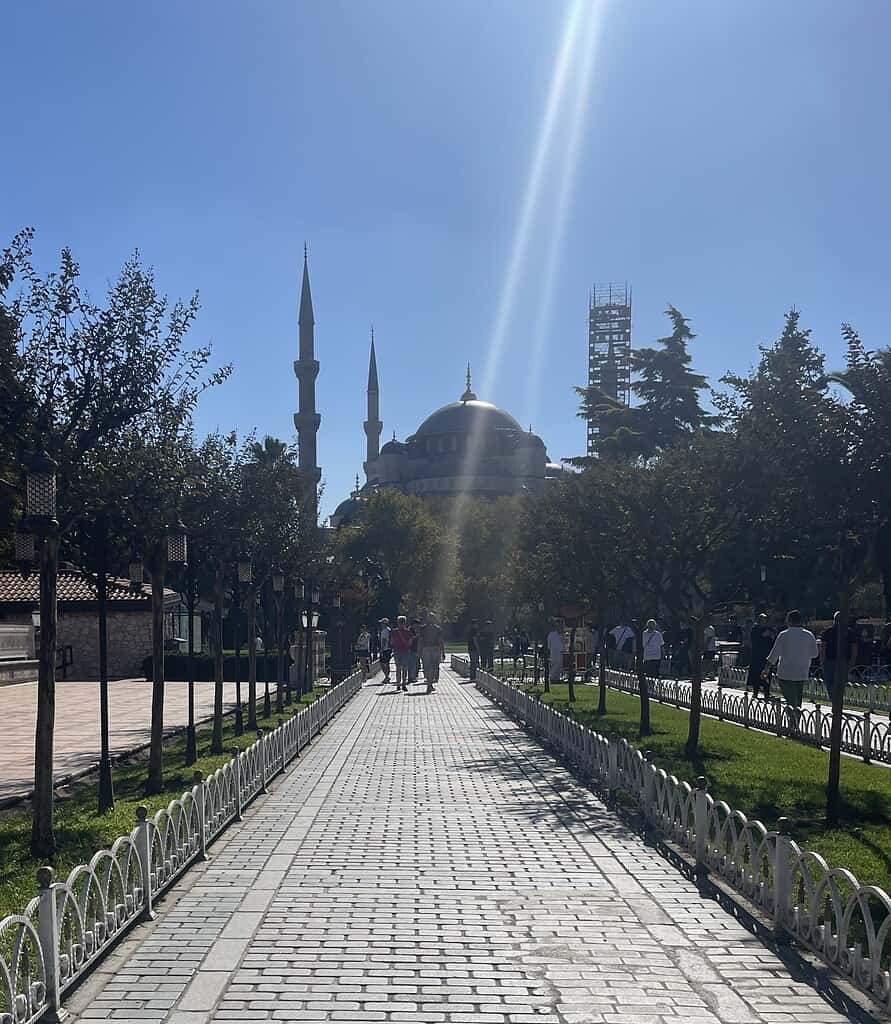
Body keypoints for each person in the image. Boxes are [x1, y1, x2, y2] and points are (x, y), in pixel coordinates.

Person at [765, 610, 818, 720]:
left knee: (790, 699)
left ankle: (793, 720)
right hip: (802, 671)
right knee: (797, 698)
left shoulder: (784, 635)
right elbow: (814, 654)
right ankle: (796, 717)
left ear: (788, 621)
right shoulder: (809, 635)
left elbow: (774, 654)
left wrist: (766, 669)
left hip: (786, 671)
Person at [819, 611, 858, 700]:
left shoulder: (827, 632)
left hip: (830, 661)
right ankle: (837, 701)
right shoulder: (849, 632)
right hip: (843, 661)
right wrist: (852, 661)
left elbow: (823, 648)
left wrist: (822, 662)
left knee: (830, 683)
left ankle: (834, 701)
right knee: (840, 684)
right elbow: (854, 648)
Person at [747, 614, 775, 698]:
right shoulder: (755, 629)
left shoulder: (769, 629)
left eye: (765, 620)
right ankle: (756, 692)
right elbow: (754, 640)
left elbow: (773, 640)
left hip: (766, 656)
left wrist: (771, 635)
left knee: (767, 674)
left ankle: (767, 692)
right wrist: (763, 635)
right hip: (757, 656)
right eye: (762, 620)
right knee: (756, 674)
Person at [419, 613, 444, 692]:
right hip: (433, 648)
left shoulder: (423, 628)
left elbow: (421, 640)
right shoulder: (437, 628)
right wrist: (442, 651)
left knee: (427, 667)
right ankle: (430, 684)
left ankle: (429, 684)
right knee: (433, 667)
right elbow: (440, 641)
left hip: (427, 649)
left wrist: (419, 650)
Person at [390, 615, 413, 691]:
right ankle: (403, 683)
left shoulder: (394, 632)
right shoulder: (408, 632)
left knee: (398, 668)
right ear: (405, 623)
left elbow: (392, 642)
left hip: (397, 651)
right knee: (404, 668)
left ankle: (398, 684)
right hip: (405, 651)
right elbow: (410, 643)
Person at [546, 621, 564, 686]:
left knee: (559, 665)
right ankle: (552, 678)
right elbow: (549, 645)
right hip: (554, 652)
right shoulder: (551, 634)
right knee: (555, 665)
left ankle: (557, 678)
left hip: (559, 652)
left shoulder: (560, 635)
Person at [408, 617, 421, 684]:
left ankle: (414, 676)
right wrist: (416, 636)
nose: (417, 626)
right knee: (412, 663)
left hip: (416, 648)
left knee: (416, 663)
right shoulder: (410, 630)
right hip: (411, 648)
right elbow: (409, 638)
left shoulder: (417, 630)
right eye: (417, 624)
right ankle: (411, 677)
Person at [378, 618, 392, 683]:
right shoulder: (389, 630)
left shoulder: (384, 631)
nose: (381, 624)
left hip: (385, 649)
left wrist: (381, 650)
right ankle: (387, 676)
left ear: (384, 624)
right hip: (389, 648)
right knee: (387, 663)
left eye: (381, 623)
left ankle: (386, 676)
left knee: (382, 663)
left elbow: (384, 640)